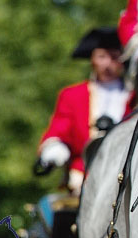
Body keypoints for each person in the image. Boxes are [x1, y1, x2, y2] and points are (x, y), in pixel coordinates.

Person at [36, 27, 132, 195]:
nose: (108, 64)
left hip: (125, 175)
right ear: (92, 59)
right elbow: (60, 128)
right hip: (82, 179)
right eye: (102, 56)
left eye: (114, 57)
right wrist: (55, 149)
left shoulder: (135, 95)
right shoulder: (73, 95)